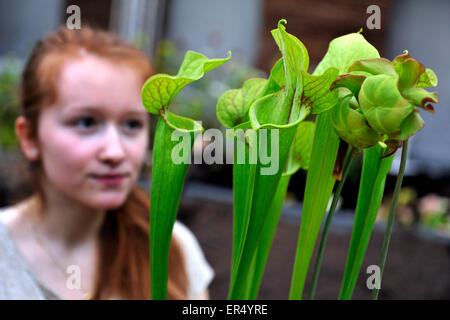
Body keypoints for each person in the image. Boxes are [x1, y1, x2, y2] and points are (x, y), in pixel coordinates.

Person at [0, 26, 214, 300]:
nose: (115, 152)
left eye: (132, 124)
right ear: (29, 137)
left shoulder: (173, 245)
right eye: (86, 122)